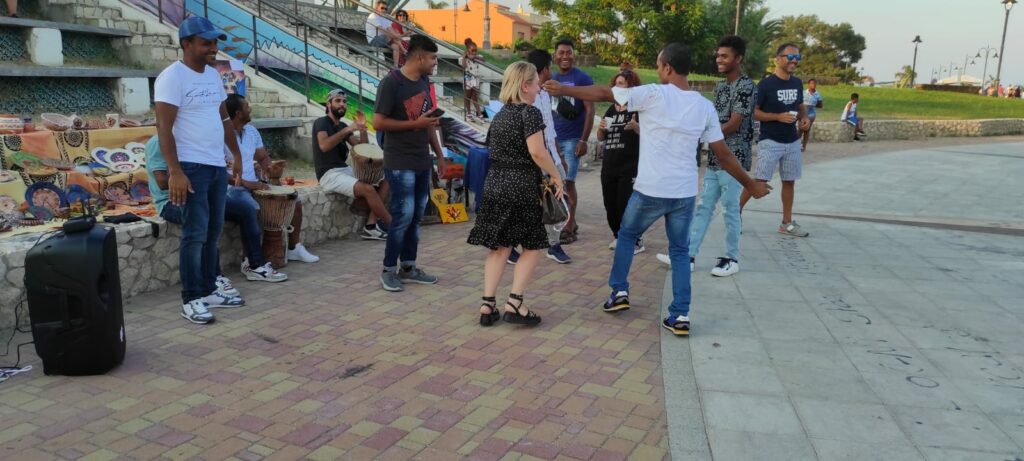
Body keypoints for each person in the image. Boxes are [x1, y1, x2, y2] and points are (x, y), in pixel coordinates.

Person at [545, 43, 770, 336]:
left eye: (658, 64)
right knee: (680, 251)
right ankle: (680, 315)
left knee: (627, 236)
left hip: (649, 190)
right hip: (684, 194)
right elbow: (724, 154)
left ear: (667, 68)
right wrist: (750, 184)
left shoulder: (652, 94)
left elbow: (604, 93)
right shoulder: (704, 106)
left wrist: (563, 89)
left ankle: (619, 292)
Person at [154, 16, 246, 325]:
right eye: (206, 43)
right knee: (194, 234)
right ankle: (191, 298)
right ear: (187, 44)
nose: (213, 48)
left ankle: (208, 289)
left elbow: (223, 119)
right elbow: (164, 128)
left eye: (215, 42)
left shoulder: (212, 76)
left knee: (212, 231)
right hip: (191, 167)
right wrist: (175, 171)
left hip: (215, 165)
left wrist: (235, 154)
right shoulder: (172, 78)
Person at [467, 61, 564, 327]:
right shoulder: (529, 113)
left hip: (495, 183)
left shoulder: (500, 114)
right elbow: (537, 152)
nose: (539, 89)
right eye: (536, 84)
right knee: (532, 245)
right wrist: (556, 175)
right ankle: (515, 302)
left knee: (499, 247)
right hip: (521, 185)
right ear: (524, 86)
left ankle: (488, 304)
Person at [674, 35, 756, 277]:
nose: (719, 59)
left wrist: (706, 135)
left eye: (724, 56)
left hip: (734, 157)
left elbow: (734, 123)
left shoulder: (746, 86)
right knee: (704, 207)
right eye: (718, 55)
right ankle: (688, 255)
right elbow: (712, 121)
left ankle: (732, 258)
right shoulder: (720, 86)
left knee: (731, 208)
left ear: (738, 58)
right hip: (715, 157)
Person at [373, 34, 447, 292]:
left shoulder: (424, 81)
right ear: (419, 57)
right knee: (403, 215)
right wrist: (415, 123)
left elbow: (428, 123)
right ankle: (388, 270)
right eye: (433, 57)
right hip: (399, 160)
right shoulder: (391, 83)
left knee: (416, 217)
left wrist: (439, 155)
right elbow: (378, 122)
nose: (435, 62)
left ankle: (408, 266)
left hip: (421, 159)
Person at [224, 94, 318, 269]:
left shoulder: (251, 131)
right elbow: (218, 173)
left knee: (294, 201)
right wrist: (247, 183)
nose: (250, 109)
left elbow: (262, 158)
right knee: (251, 208)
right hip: (232, 189)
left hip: (255, 185)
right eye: (247, 106)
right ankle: (249, 261)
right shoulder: (221, 135)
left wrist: (271, 167)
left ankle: (294, 248)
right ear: (238, 113)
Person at [504, 49, 572, 265]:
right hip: (533, 159)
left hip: (550, 155)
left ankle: (554, 244)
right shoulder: (522, 101)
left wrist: (559, 156)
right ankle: (510, 245)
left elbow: (550, 130)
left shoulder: (544, 94)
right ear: (543, 70)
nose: (552, 71)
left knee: (556, 198)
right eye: (550, 67)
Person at [739, 43, 811, 238]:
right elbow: (753, 112)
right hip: (770, 140)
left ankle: (786, 223)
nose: (794, 61)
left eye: (797, 57)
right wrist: (777, 117)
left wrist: (804, 117)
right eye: (790, 57)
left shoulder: (797, 83)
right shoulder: (765, 85)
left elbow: (800, 106)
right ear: (778, 59)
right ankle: (735, 214)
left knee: (789, 182)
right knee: (759, 180)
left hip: (792, 141)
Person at [313, 89, 392, 240]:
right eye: (337, 101)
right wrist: (348, 129)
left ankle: (371, 226)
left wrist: (362, 128)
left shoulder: (342, 125)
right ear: (328, 104)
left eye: (344, 102)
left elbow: (362, 149)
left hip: (345, 170)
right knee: (368, 189)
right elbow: (324, 146)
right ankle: (395, 227)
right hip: (329, 174)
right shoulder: (321, 122)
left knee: (386, 180)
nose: (342, 104)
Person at [550, 38, 595, 243]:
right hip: (554, 140)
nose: (565, 56)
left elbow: (590, 110)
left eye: (569, 52)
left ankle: (569, 226)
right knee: (556, 182)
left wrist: (583, 140)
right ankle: (570, 221)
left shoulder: (582, 78)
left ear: (574, 55)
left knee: (568, 182)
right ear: (555, 55)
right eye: (561, 52)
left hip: (572, 139)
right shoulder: (552, 78)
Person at [597, 70, 643, 255]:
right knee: (610, 204)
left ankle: (635, 240)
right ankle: (618, 235)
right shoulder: (611, 109)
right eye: (616, 84)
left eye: (621, 84)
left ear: (631, 87)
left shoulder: (637, 111)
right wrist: (601, 128)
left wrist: (636, 127)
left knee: (626, 204)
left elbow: (651, 136)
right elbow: (601, 137)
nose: (617, 88)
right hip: (609, 165)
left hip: (629, 166)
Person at [365, 0, 402, 66]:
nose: (384, 10)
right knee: (387, 35)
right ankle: (404, 49)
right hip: (374, 41)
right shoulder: (373, 16)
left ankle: (395, 66)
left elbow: (391, 29)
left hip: (385, 40)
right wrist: (396, 36)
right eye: (382, 8)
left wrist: (396, 36)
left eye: (385, 9)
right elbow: (382, 30)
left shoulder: (385, 18)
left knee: (396, 46)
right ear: (376, 7)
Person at [461, 38, 487, 123]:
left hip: (475, 79)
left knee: (475, 97)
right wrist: (465, 57)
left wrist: (474, 57)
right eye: (472, 50)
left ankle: (479, 115)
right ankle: (468, 114)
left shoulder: (477, 56)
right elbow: (463, 67)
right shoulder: (464, 57)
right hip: (468, 78)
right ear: (468, 50)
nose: (474, 52)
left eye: (476, 50)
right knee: (467, 97)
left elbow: (484, 59)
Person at [801, 78, 822, 152]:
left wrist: (812, 104)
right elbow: (799, 102)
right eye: (812, 83)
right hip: (804, 111)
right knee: (800, 129)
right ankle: (796, 145)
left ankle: (803, 146)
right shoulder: (804, 92)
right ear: (809, 84)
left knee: (807, 129)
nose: (814, 85)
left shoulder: (818, 94)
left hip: (811, 112)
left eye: (815, 83)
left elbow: (820, 105)